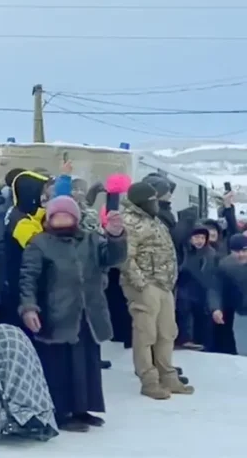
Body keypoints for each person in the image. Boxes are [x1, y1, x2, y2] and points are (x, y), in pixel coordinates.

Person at [19, 195, 127, 432]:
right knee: (59, 365)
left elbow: (114, 258)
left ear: (76, 218)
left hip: (88, 312)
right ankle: (61, 412)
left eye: (67, 215)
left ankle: (82, 408)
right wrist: (29, 307)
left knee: (86, 363)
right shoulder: (39, 243)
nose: (62, 220)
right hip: (57, 312)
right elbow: (28, 279)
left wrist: (116, 236)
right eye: (57, 216)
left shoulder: (91, 240)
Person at [120, 181, 190, 399]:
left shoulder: (154, 220)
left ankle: (168, 376)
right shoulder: (130, 222)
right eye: (152, 200)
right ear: (142, 202)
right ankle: (149, 380)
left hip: (163, 283)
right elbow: (125, 257)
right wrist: (140, 283)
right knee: (146, 333)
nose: (156, 204)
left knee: (167, 332)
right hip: (144, 284)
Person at [0, 170, 50, 327]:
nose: (45, 198)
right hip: (21, 285)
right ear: (31, 194)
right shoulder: (21, 222)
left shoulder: (21, 213)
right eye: (42, 194)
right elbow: (43, 248)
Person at [176, 226, 221, 351]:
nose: (199, 240)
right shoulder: (183, 252)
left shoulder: (211, 255)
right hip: (185, 294)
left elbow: (213, 280)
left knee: (204, 328)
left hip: (203, 296)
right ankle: (186, 339)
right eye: (196, 237)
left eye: (202, 237)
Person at [215, 234, 247, 354]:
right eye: (236, 251)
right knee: (243, 352)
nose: (241, 255)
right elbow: (216, 288)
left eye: (244, 250)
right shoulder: (225, 266)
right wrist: (216, 308)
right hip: (241, 314)